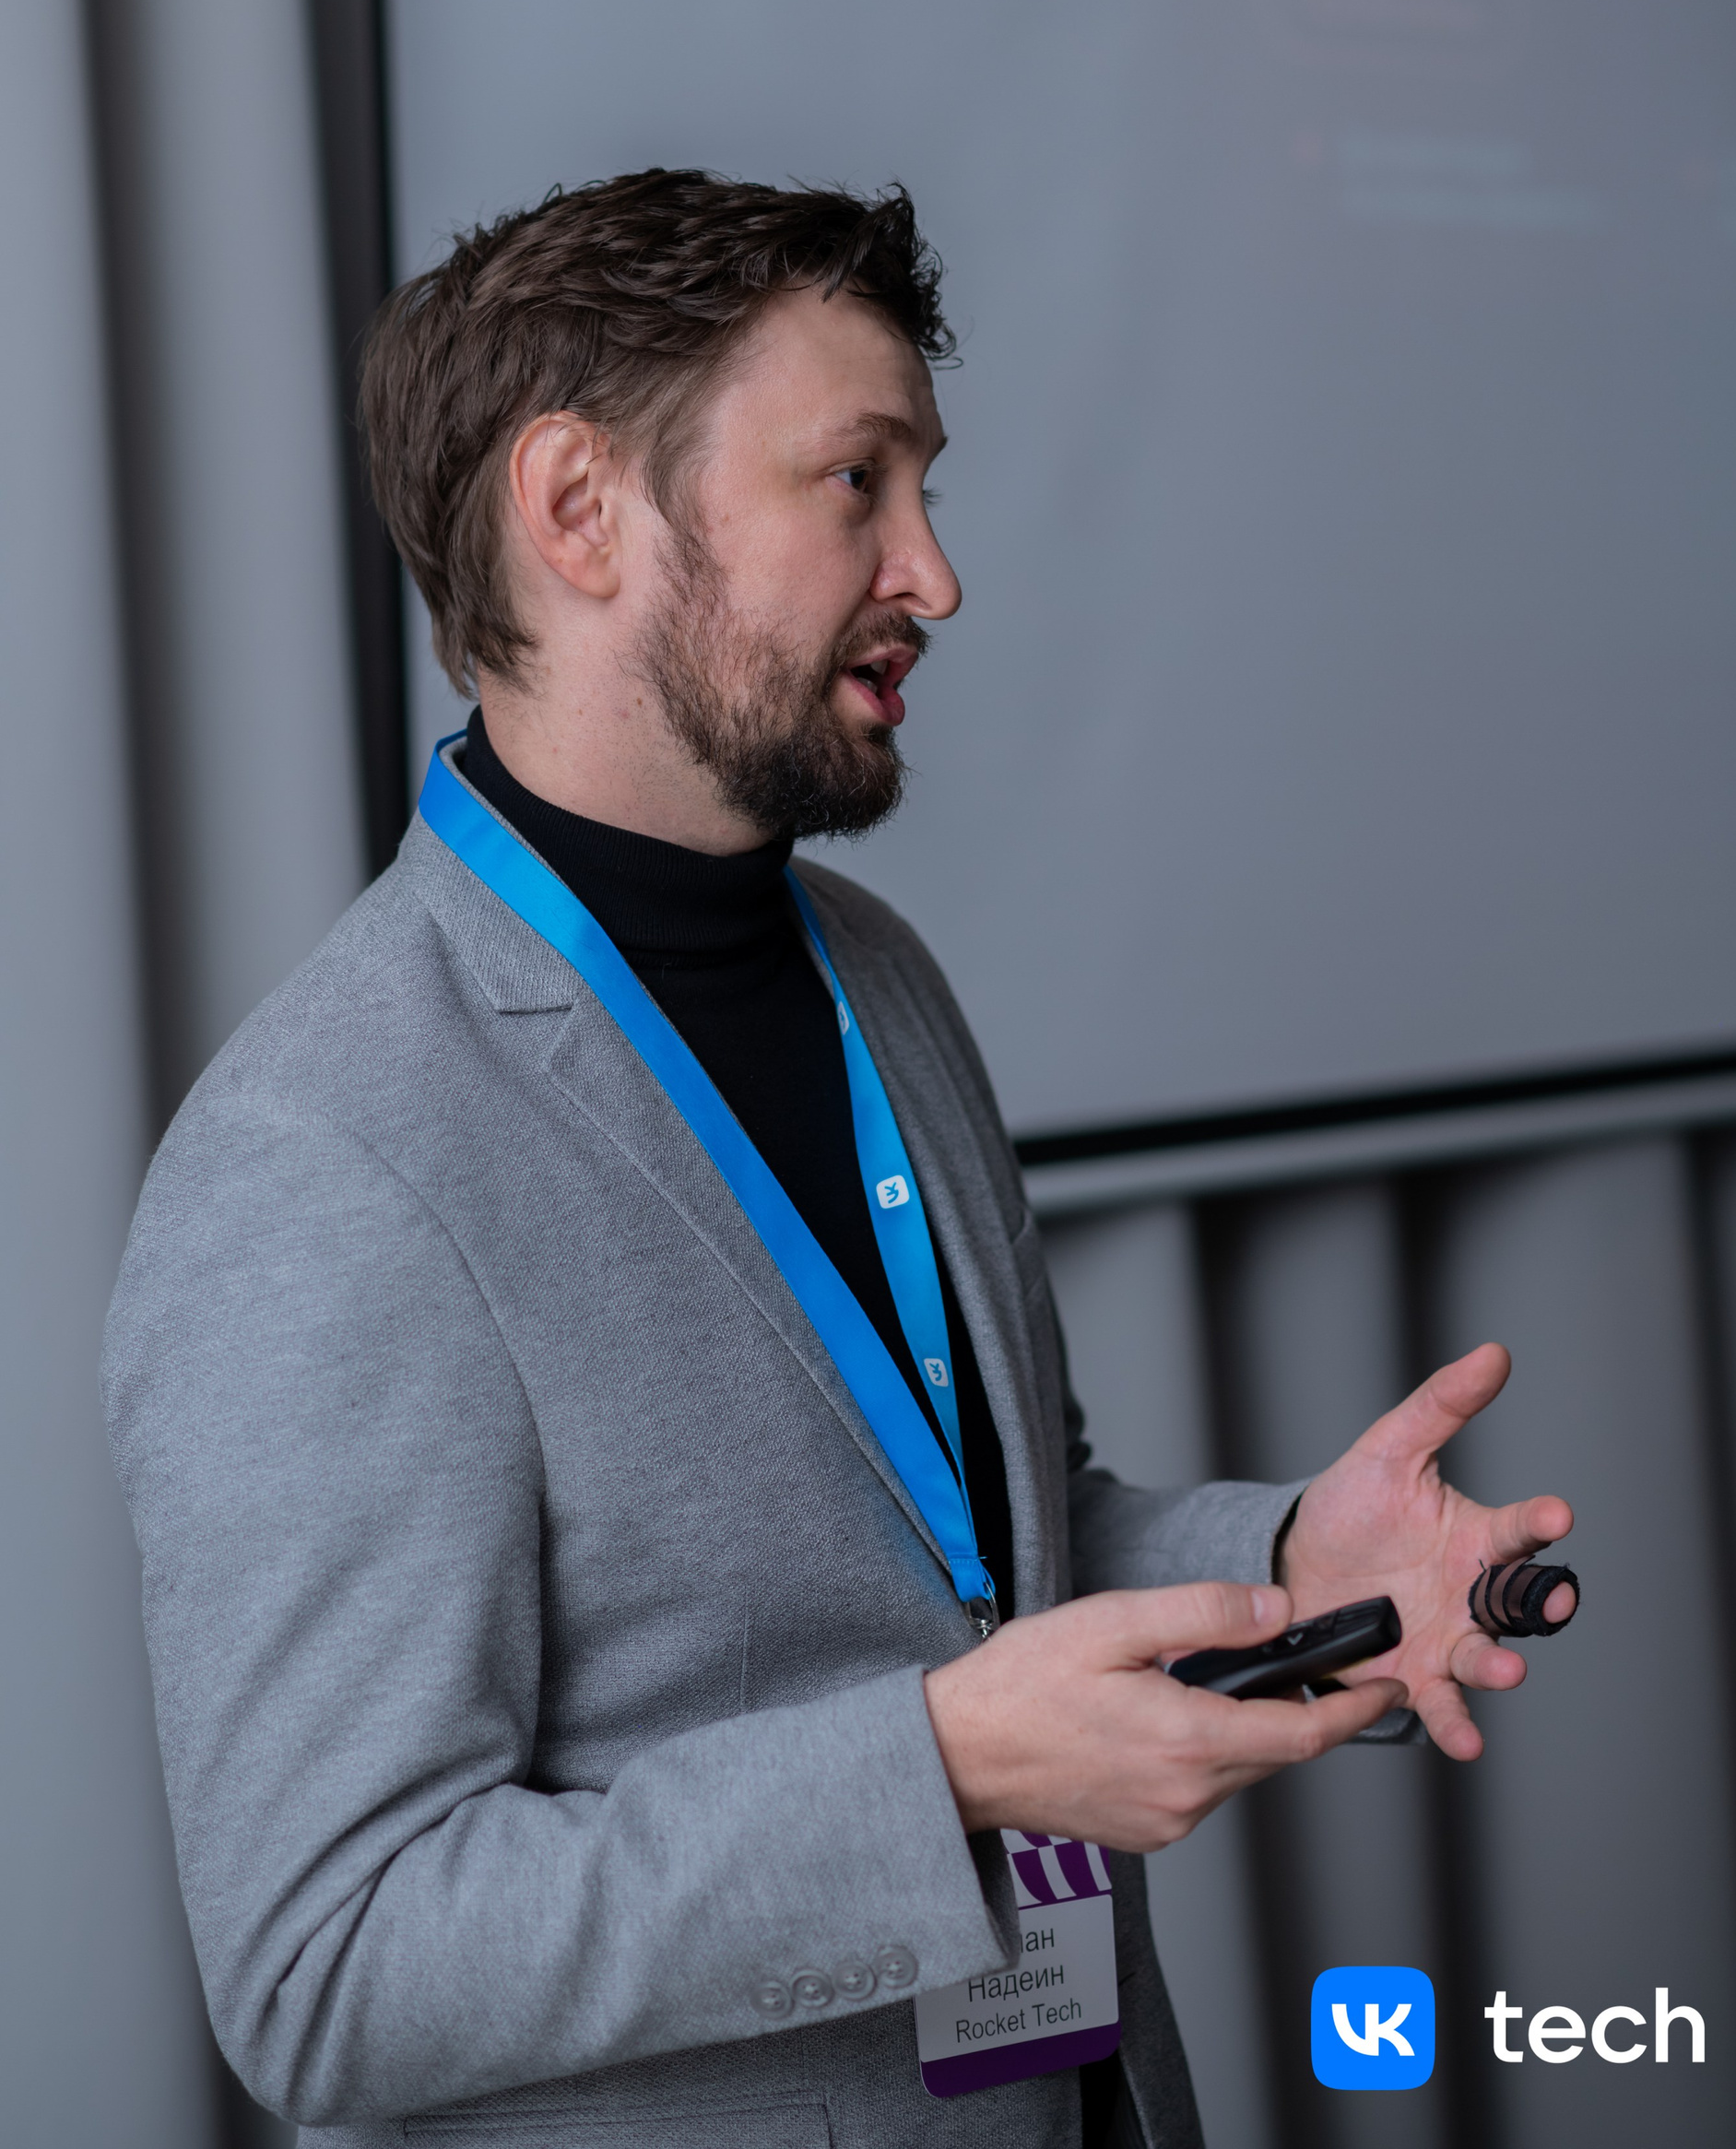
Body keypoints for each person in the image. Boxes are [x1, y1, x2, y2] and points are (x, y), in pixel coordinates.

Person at [103, 171, 1575, 2149]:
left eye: (925, 490)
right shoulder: (321, 1158)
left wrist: (1293, 1564)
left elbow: (983, 1552)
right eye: (857, 483)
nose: (935, 576)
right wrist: (942, 1770)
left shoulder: (873, 970)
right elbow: (330, 1972)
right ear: (579, 512)